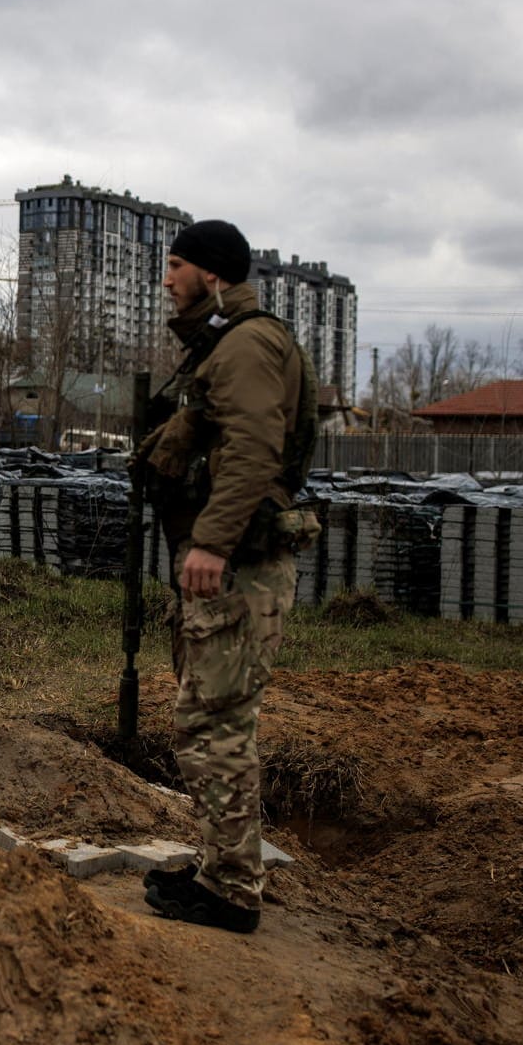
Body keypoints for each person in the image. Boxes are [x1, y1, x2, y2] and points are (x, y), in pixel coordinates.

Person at [135, 219, 320, 933]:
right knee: (211, 717)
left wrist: (209, 542)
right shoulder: (230, 341)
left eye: (175, 264)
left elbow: (252, 449)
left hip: (238, 564)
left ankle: (233, 890)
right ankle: (223, 871)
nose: (166, 277)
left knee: (213, 723)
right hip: (233, 562)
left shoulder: (245, 344)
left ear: (212, 274)